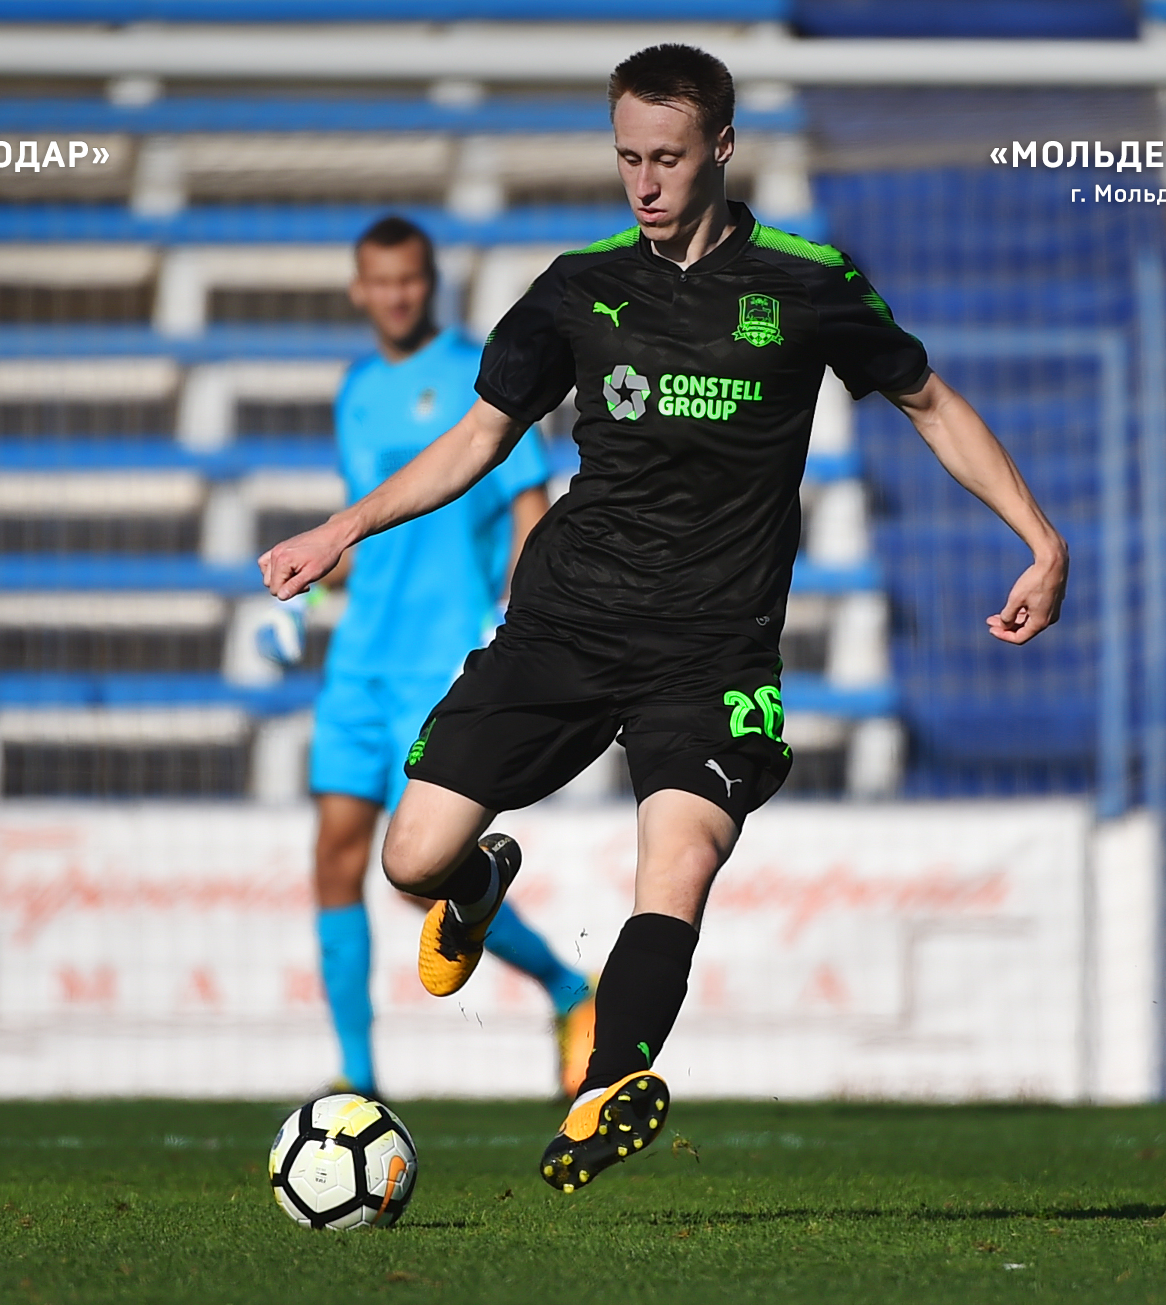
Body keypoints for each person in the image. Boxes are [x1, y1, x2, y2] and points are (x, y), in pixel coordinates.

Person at [261, 46, 1067, 1191]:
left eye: (668, 158)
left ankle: (606, 1087)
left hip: (712, 648)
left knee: (681, 856)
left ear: (722, 149)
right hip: (565, 623)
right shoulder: (575, 288)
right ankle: (476, 885)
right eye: (628, 157)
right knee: (410, 857)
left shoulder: (809, 283)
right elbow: (480, 437)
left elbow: (929, 403)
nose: (644, 182)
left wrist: (1040, 540)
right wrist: (343, 528)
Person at [291, 215, 594, 1102]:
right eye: (381, 281)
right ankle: (357, 1075)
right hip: (360, 659)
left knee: (418, 876)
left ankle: (568, 985)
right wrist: (304, 599)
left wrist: (516, 616)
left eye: (411, 279)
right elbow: (366, 526)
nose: (397, 295)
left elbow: (530, 506)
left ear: (431, 283)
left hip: (441, 659)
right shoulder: (356, 391)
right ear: (359, 288)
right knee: (334, 853)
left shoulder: (481, 374)